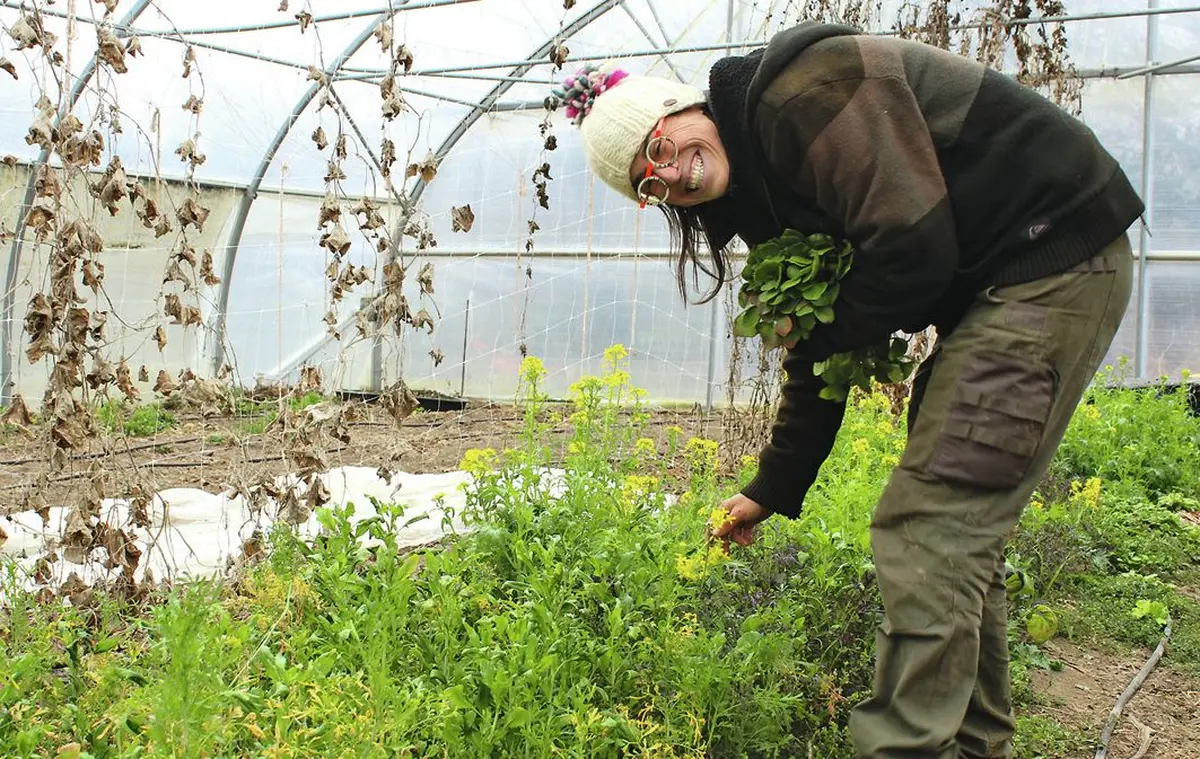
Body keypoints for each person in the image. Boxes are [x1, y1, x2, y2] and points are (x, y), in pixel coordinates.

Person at [554, 19, 1142, 759]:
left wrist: (824, 332)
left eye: (660, 148)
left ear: (681, 110)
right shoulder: (765, 197)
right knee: (956, 527)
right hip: (1007, 282)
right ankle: (971, 744)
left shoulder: (805, 93)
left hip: (1053, 258)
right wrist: (771, 487)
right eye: (648, 181)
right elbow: (821, 345)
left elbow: (913, 248)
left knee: (931, 522)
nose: (667, 174)